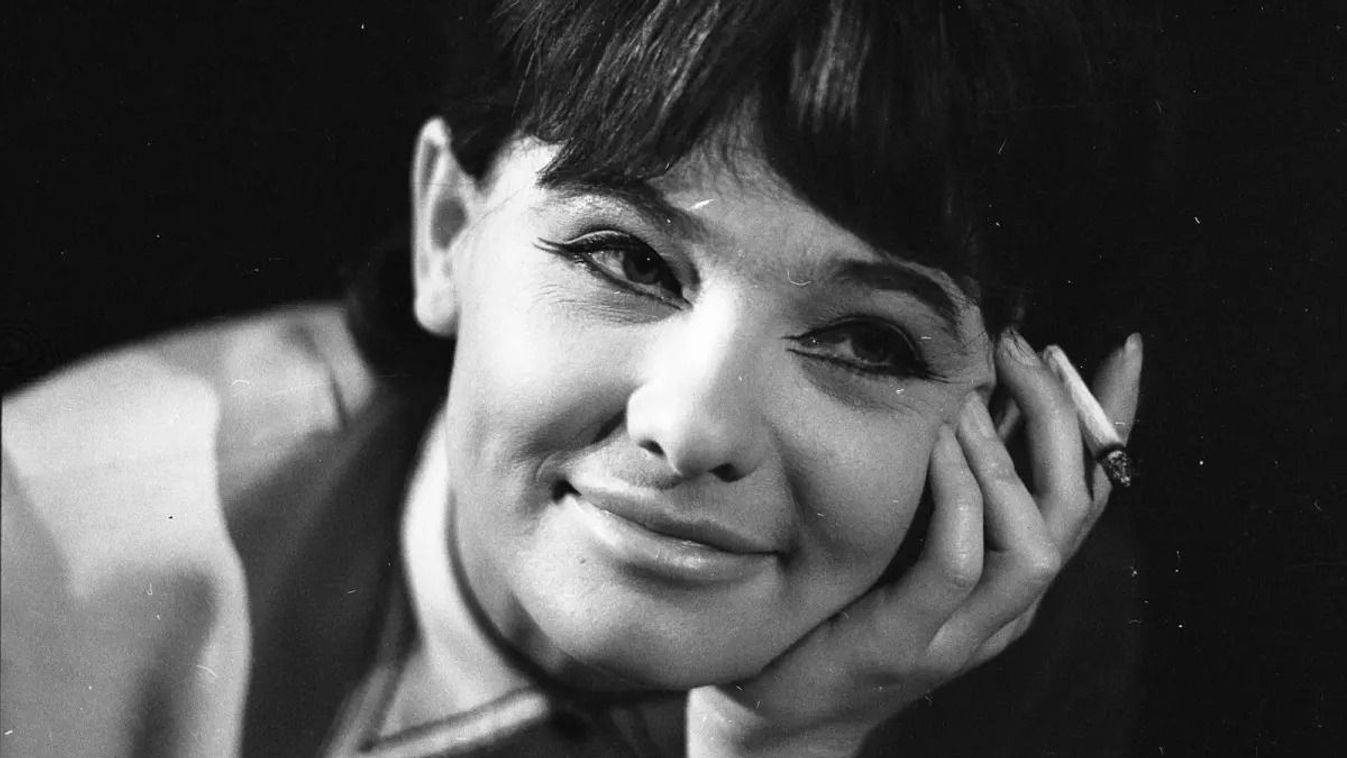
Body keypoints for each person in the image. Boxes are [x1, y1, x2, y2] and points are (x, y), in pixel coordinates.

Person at [2, 1, 1160, 755]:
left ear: (1013, 415)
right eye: (627, 260)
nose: (692, 424)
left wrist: (781, 748)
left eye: (869, 342)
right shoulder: (48, 548)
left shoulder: (1009, 642)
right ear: (449, 231)